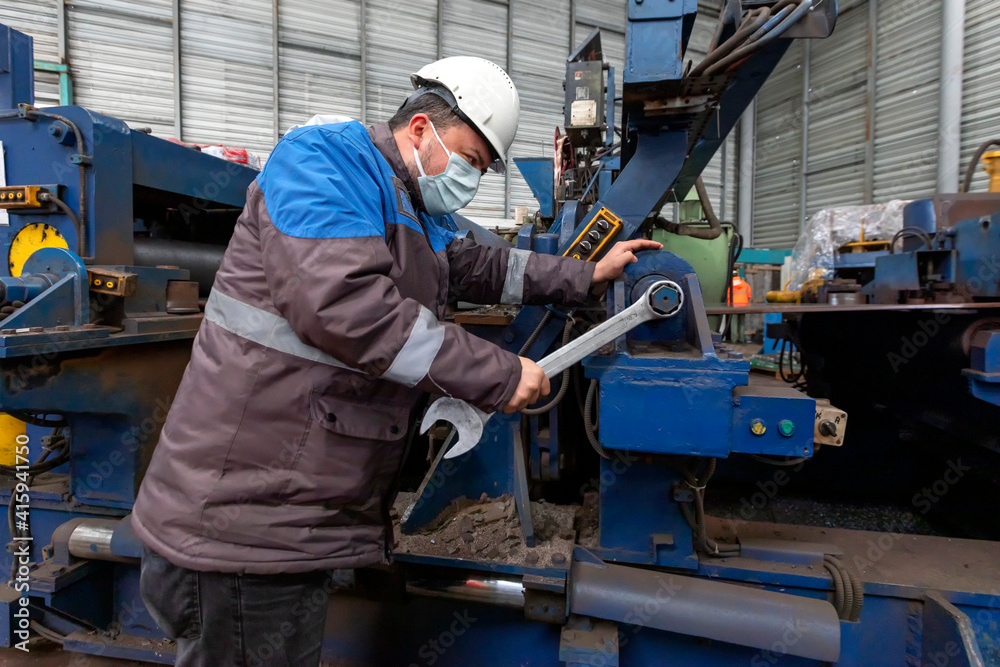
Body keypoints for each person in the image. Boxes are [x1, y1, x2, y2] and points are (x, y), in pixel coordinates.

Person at [132, 56, 660, 666]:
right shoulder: (322, 160)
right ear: (420, 130)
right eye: (470, 160)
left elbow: (481, 266)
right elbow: (348, 308)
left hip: (283, 513)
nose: (472, 178)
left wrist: (586, 275)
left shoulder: (404, 201)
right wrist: (500, 374)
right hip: (241, 523)